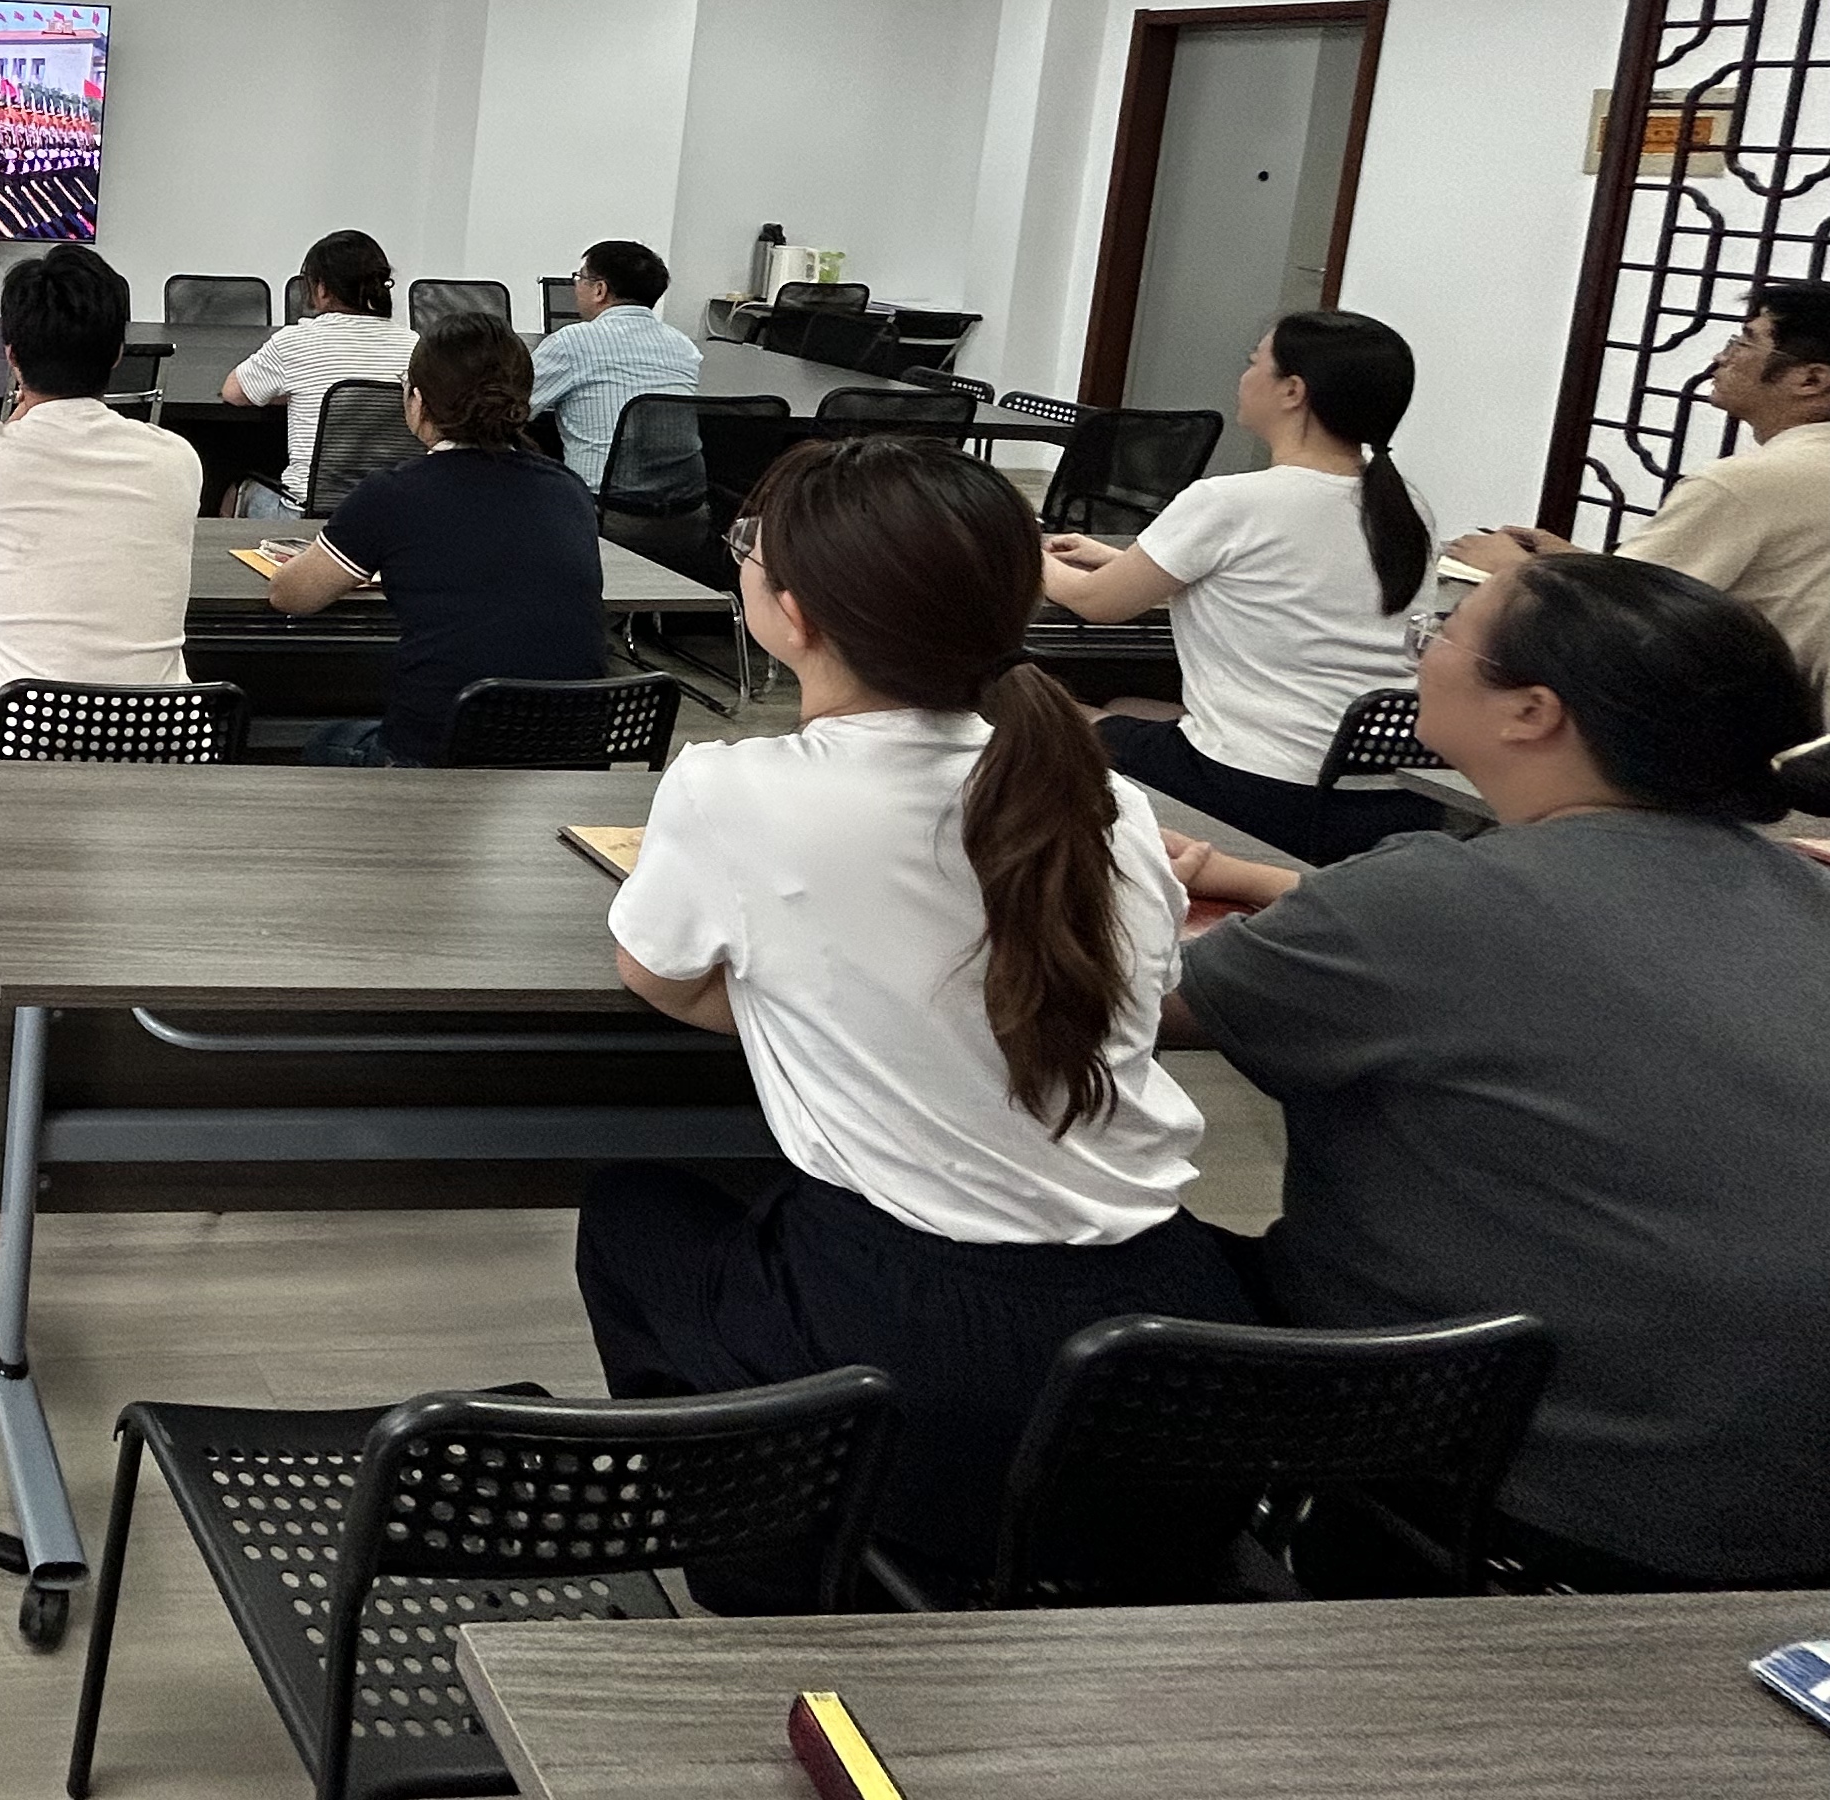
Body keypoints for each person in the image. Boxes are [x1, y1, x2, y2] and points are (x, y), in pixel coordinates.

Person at [576, 434, 1250, 1602]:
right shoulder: (1102, 798)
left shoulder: (734, 790)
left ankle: (765, 1563)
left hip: (930, 1342)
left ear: (792, 613)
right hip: (1174, 1331)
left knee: (636, 1218)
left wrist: (834, 1011)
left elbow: (660, 978)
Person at [1168, 553, 1830, 1587]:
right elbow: (1516, 939)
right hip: (1781, 1496)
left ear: (1532, 711)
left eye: (1443, 632)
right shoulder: (1799, 892)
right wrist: (1263, 882)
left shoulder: (1426, 905)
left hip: (1547, 1496)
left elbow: (1119, 1008)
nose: (1421, 651)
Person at [1033, 309, 1441, 862]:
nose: (1244, 377)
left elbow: (1094, 602)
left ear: (1293, 390)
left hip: (1256, 788)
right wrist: (1123, 560)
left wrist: (1024, 551)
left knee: (1045, 712)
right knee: (1130, 703)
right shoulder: (1407, 508)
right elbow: (1272, 587)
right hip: (1386, 796)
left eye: (1254, 363)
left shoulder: (1230, 501)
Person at [0, 244, 204, 770]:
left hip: (21, 746)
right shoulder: (177, 458)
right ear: (117, 354)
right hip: (160, 745)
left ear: (11, 355)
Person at [1449, 282, 1830, 697]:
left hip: (1724, 715)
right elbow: (1670, 585)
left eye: (1743, 343)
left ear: (1811, 379)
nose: (1720, 358)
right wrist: (1574, 563)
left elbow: (1626, 623)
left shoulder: (1743, 484)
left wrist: (1517, 569)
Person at [264, 315, 604, 764]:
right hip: (570, 755)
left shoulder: (393, 494)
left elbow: (290, 596)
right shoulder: (567, 488)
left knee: (325, 741)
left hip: (440, 754)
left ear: (418, 400)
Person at [220, 229, 414, 514]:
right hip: (390, 514)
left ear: (321, 288)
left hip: (307, 515)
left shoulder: (295, 341)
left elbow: (233, 393)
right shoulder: (415, 346)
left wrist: (298, 393)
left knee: (235, 490)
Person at [527, 238, 703, 489]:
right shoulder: (684, 346)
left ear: (599, 290)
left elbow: (511, 408)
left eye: (580, 278)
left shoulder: (574, 341)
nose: (576, 286)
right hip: (684, 502)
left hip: (598, 502)